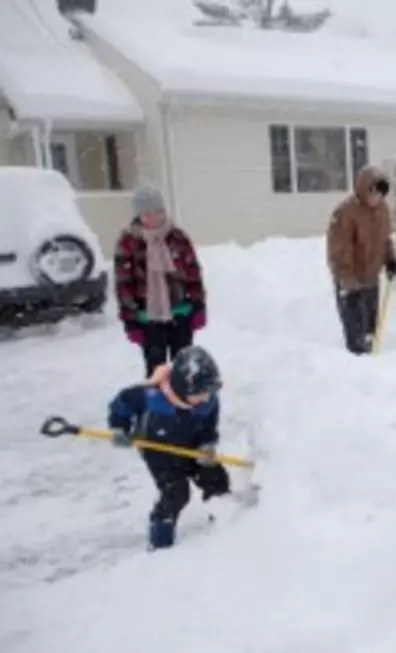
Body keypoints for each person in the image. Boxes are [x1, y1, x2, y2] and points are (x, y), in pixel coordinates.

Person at [107, 345, 230, 550]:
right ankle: (160, 540)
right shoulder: (149, 396)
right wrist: (119, 428)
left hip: (193, 445)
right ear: (183, 388)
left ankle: (226, 527)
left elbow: (209, 425)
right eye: (201, 393)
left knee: (217, 480)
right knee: (176, 493)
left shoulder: (208, 402)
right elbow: (121, 404)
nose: (206, 398)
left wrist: (208, 443)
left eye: (209, 392)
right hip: (157, 448)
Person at [113, 184, 207, 377]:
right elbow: (124, 284)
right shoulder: (128, 243)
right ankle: (158, 406)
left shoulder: (178, 238)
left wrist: (198, 306)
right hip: (148, 319)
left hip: (181, 314)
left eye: (158, 211)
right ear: (138, 215)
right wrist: (130, 321)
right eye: (147, 213)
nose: (153, 217)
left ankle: (185, 405)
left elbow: (193, 273)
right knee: (156, 371)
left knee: (184, 368)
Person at [326, 165, 396, 354]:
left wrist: (390, 259)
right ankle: (356, 374)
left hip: (371, 279)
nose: (377, 196)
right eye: (373, 191)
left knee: (371, 333)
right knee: (356, 339)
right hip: (350, 283)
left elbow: (385, 239)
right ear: (363, 189)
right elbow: (338, 252)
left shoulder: (382, 210)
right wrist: (348, 284)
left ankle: (373, 371)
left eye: (381, 192)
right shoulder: (345, 212)